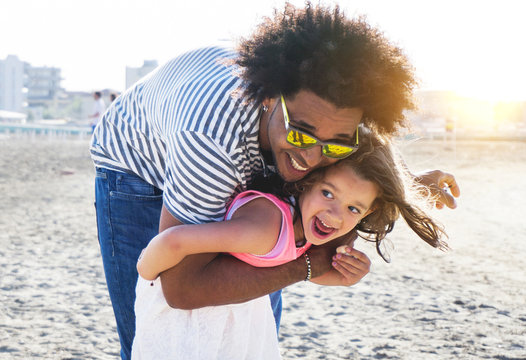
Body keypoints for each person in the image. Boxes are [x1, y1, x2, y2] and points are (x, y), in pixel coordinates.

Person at [90, 3, 460, 358]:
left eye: (337, 144)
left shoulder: (331, 109)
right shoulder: (210, 141)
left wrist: (404, 185)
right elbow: (181, 289)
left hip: (236, 147)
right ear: (268, 97)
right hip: (139, 166)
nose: (313, 159)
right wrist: (307, 265)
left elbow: (356, 161)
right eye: (301, 134)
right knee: (153, 332)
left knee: (252, 325)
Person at [132, 128, 447, 358]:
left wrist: (341, 277)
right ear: (308, 181)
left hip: (240, 310)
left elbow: (298, 265)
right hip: (187, 317)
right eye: (328, 194)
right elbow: (175, 241)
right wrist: (145, 274)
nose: (335, 215)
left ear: (369, 212)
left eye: (353, 208)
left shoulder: (307, 225)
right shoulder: (265, 228)